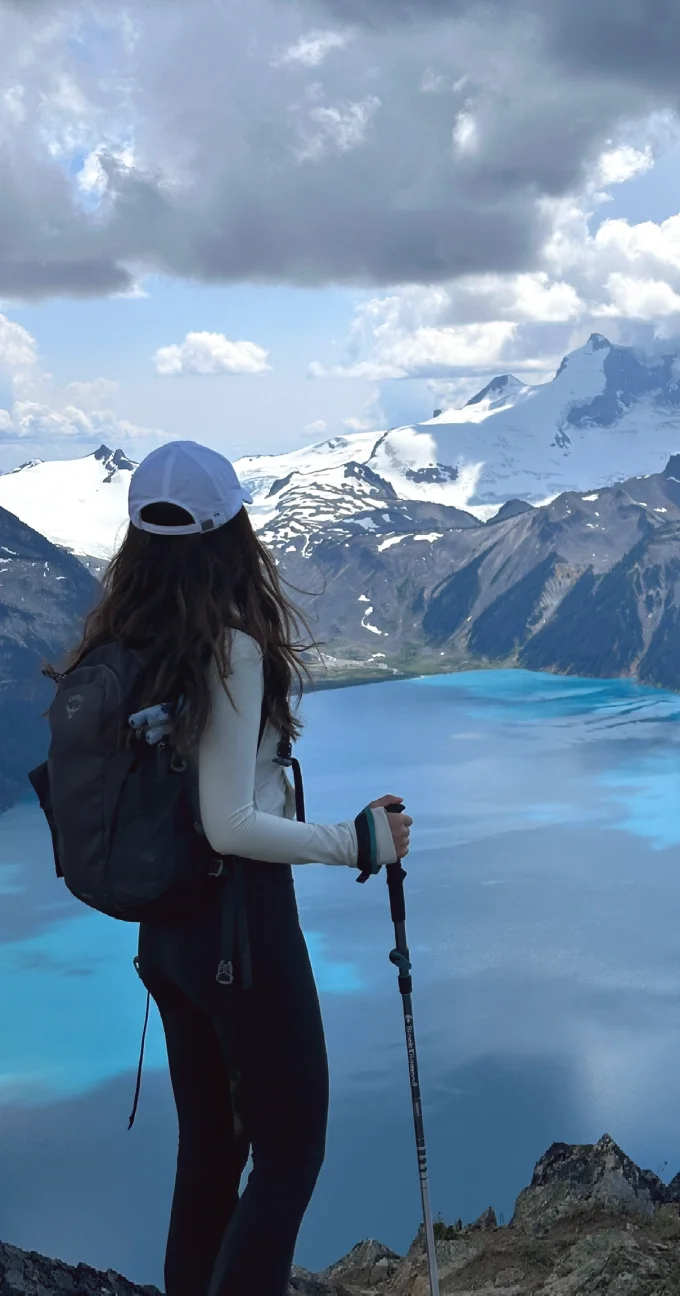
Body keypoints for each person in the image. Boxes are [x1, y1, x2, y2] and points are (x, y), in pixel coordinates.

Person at [63, 439, 412, 1296]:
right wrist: (355, 841)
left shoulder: (129, 636)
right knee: (293, 1153)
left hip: (168, 936)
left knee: (212, 1155)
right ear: (233, 533)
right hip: (240, 930)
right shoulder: (227, 645)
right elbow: (229, 823)